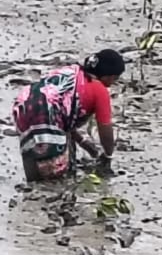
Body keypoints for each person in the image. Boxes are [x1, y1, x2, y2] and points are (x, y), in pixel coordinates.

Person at [12, 50, 127, 181]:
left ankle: (32, 187)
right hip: (48, 115)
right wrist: (108, 155)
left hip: (23, 105)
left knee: (33, 165)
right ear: (107, 75)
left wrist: (84, 143)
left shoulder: (71, 73)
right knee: (55, 180)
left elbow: (63, 116)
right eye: (115, 78)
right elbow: (105, 127)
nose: (113, 82)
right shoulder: (99, 89)